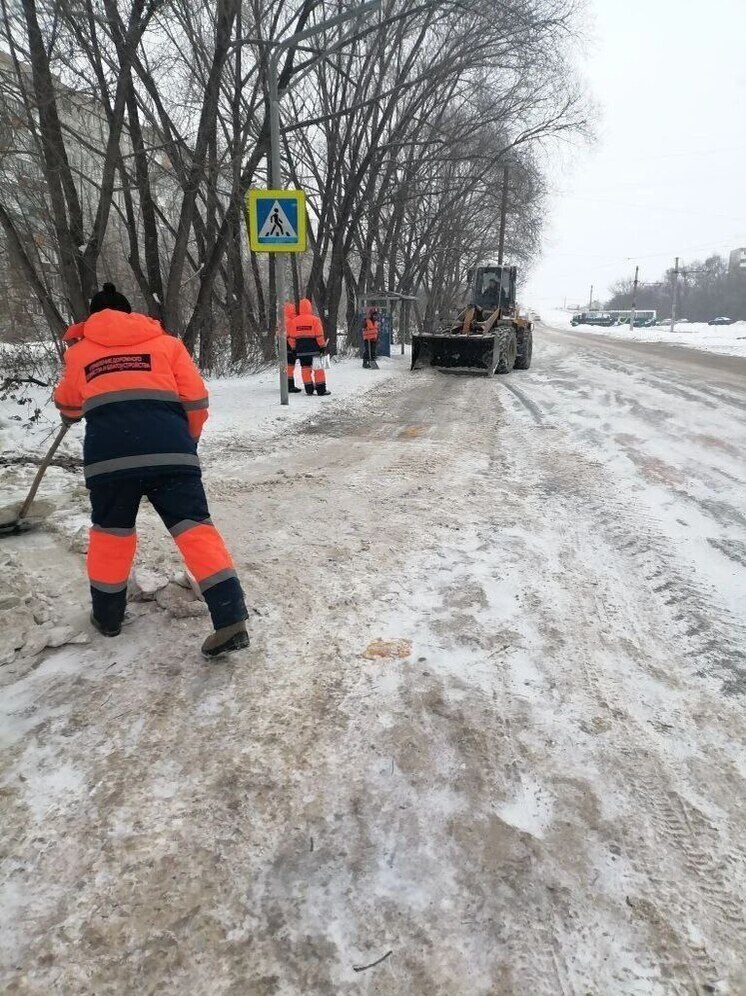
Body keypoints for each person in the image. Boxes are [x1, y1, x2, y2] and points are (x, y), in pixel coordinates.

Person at [53, 282, 249, 659]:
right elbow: (197, 401)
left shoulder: (80, 353)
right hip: (172, 455)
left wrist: (80, 403)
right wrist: (183, 445)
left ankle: (108, 617)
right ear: (133, 314)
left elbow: (68, 405)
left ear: (90, 319)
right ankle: (230, 616)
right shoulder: (167, 345)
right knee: (195, 531)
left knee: (111, 536)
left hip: (110, 462)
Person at [286, 298, 329, 396]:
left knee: (305, 369)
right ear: (310, 307)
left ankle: (309, 389)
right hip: (314, 350)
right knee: (318, 370)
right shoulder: (315, 320)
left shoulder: (295, 321)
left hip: (301, 351)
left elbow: (291, 338)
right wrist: (322, 346)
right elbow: (319, 335)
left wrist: (294, 349)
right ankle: (321, 390)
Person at [283, 301, 302, 394]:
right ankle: (290, 386)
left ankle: (285, 384)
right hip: (289, 345)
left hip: (282, 345)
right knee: (290, 366)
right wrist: (294, 348)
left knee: (285, 366)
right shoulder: (291, 321)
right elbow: (291, 336)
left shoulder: (281, 320)